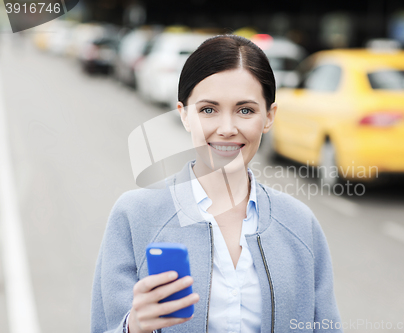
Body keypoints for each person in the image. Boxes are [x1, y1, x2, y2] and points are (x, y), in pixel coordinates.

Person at [91, 34, 343, 333]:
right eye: (208, 110)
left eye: (245, 110)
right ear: (184, 115)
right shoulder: (134, 216)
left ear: (269, 117)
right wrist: (132, 327)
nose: (227, 129)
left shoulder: (300, 224)